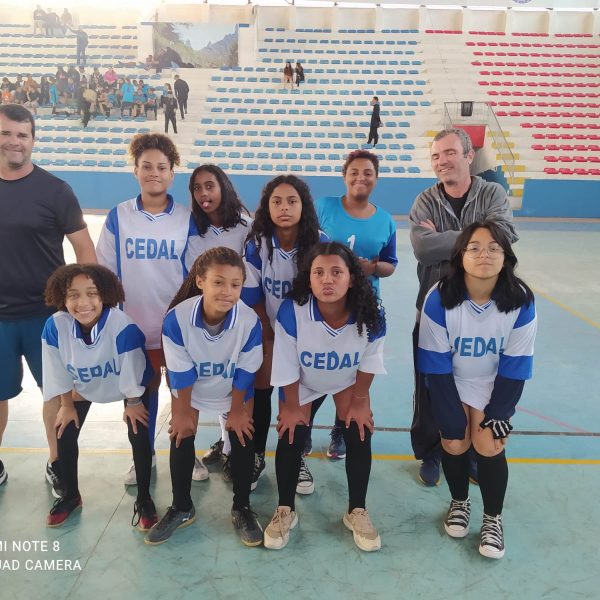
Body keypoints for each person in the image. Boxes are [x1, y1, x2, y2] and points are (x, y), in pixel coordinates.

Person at [418, 220, 536, 559]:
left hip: (492, 383)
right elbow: (434, 362)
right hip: (451, 380)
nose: (484, 254)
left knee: (488, 443)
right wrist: (449, 413)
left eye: (494, 248)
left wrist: (500, 412)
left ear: (506, 257)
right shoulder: (439, 297)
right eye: (474, 248)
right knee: (454, 441)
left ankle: (492, 518)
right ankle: (459, 502)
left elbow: (516, 364)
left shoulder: (520, 300)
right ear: (460, 256)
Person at [409, 127, 518, 487]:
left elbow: (503, 237)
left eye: (449, 153)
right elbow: (423, 249)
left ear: (469, 156)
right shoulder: (425, 200)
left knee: (477, 385)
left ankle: (471, 451)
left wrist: (446, 239)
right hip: (435, 312)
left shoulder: (492, 193)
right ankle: (430, 451)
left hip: (485, 312)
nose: (441, 161)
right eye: (436, 155)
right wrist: (478, 239)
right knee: (429, 386)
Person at [264, 241, 386, 551]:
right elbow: (285, 363)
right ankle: (285, 509)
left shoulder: (371, 314)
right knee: (291, 432)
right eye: (318, 272)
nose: (327, 280)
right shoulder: (292, 311)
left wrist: (360, 401)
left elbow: (370, 360)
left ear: (352, 278)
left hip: (346, 381)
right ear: (308, 278)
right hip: (304, 382)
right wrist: (292, 407)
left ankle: (357, 510)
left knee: (359, 430)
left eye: (336, 272)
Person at [0, 104, 96, 492]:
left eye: (22, 135)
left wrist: (86, 305)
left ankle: (58, 462)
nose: (14, 141)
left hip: (47, 316)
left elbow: (84, 249)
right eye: (6, 133)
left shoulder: (55, 191)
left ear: (33, 140)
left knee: (57, 394)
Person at [96, 133, 197, 486]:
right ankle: (144, 455)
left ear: (172, 173)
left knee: (183, 393)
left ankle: (187, 452)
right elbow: (104, 273)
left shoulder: (186, 218)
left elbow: (197, 274)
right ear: (135, 170)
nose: (154, 172)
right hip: (134, 326)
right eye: (147, 166)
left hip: (176, 327)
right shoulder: (119, 216)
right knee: (140, 395)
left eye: (161, 167)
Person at [145, 247, 263, 546]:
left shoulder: (249, 321)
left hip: (233, 388)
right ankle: (182, 506)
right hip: (192, 389)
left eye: (235, 284)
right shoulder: (177, 319)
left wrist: (236, 410)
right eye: (218, 282)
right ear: (200, 281)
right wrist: (183, 412)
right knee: (181, 432)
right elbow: (180, 372)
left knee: (242, 432)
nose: (227, 291)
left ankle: (242, 507)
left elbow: (246, 371)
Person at [42, 264, 157, 529]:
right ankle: (71, 495)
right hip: (84, 387)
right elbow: (56, 369)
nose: (83, 303)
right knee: (64, 431)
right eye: (73, 295)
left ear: (104, 294)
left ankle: (144, 499)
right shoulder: (55, 326)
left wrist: (133, 402)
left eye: (91, 293)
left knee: (138, 432)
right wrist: (66, 405)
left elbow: (133, 368)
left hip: (128, 387)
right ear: (62, 297)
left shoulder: (122, 326)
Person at [241, 175, 327, 496]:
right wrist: (269, 333)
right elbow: (253, 295)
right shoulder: (257, 244)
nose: (284, 208)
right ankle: (256, 456)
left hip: (308, 334)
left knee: (301, 397)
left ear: (303, 206)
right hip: (268, 329)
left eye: (292, 201)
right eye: (276, 202)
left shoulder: (319, 243)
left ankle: (297, 453)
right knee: (262, 389)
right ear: (267, 207)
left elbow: (326, 295)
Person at [315, 150, 397, 460]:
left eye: (368, 173)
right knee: (317, 366)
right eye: (354, 172)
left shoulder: (385, 220)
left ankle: (340, 429)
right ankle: (303, 427)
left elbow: (390, 265)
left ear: (376, 179)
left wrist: (371, 268)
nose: (360, 178)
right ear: (344, 176)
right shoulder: (324, 207)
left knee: (351, 371)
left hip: (363, 307)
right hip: (324, 304)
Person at [187, 164, 253, 479]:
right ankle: (218, 445)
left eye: (209, 186)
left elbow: (252, 276)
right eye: (197, 188)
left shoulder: (246, 228)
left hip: (237, 317)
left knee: (231, 381)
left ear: (223, 187)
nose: (203, 194)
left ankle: (232, 449)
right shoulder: (191, 228)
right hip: (202, 316)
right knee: (207, 379)